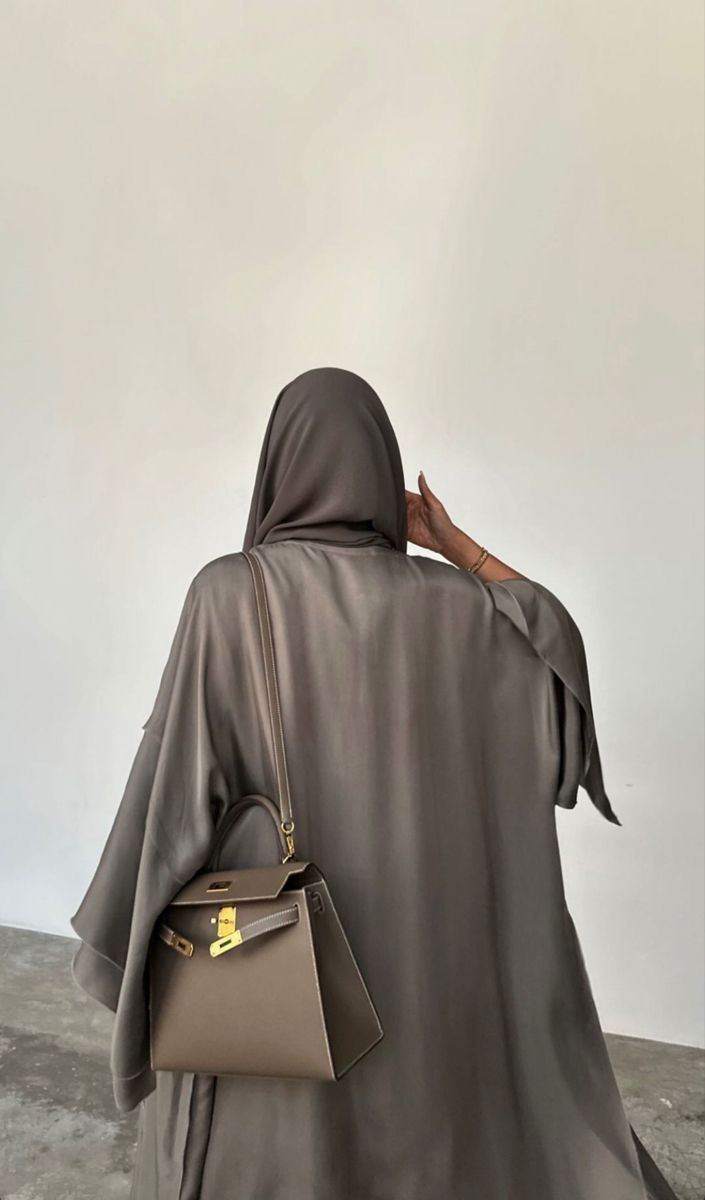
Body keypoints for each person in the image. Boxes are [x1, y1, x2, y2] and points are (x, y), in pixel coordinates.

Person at [70, 367, 679, 1199]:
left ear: (278, 466)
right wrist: (453, 544)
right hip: (430, 979)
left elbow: (172, 788)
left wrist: (119, 944)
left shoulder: (230, 593)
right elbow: (551, 646)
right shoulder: (459, 607)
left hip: (270, 984)